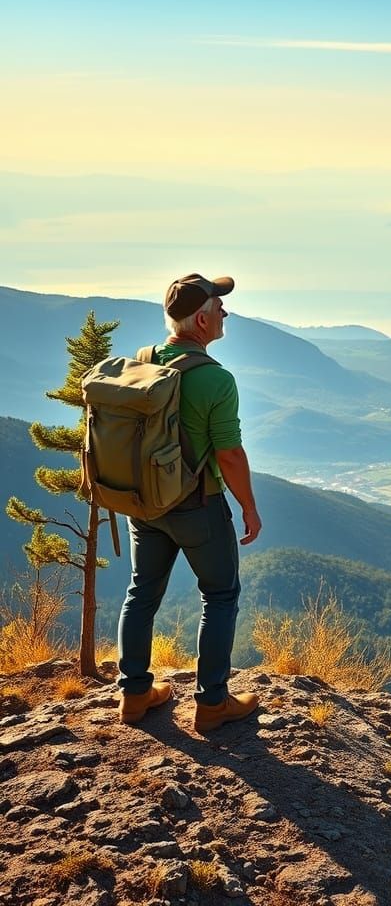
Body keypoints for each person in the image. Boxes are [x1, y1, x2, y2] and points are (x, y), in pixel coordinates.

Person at [116, 273, 263, 733]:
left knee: (142, 592)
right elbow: (229, 454)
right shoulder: (215, 379)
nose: (225, 312)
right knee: (220, 595)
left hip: (145, 503)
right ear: (201, 320)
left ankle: (134, 695)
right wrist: (249, 506)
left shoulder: (142, 363)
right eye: (219, 307)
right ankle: (212, 704)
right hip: (197, 505)